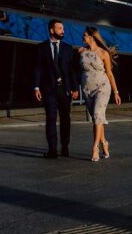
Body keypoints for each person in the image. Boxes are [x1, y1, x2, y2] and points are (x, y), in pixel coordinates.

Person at [33, 19, 80, 158]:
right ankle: (52, 150)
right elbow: (38, 69)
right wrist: (36, 87)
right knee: (51, 118)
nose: (62, 30)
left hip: (64, 90)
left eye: (63, 28)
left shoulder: (67, 48)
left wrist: (75, 88)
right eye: (59, 28)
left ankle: (65, 147)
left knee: (65, 118)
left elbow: (72, 70)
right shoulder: (41, 48)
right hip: (48, 89)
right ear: (52, 30)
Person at [79, 26, 121, 161]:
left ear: (91, 37)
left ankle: (95, 147)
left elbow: (109, 73)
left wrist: (116, 91)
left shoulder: (104, 53)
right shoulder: (81, 51)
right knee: (97, 119)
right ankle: (104, 142)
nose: (82, 37)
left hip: (102, 88)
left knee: (97, 115)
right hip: (87, 89)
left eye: (84, 35)